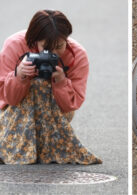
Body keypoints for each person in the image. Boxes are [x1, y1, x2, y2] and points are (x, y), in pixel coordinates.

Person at [0, 10, 102, 165]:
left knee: (40, 86)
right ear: (34, 41)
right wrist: (19, 75)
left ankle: (16, 147)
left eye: (59, 46)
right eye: (46, 48)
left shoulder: (77, 55)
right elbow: (8, 99)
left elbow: (71, 105)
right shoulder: (15, 45)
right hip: (13, 111)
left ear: (66, 40)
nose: (53, 53)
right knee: (37, 86)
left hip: (58, 111)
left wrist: (61, 82)